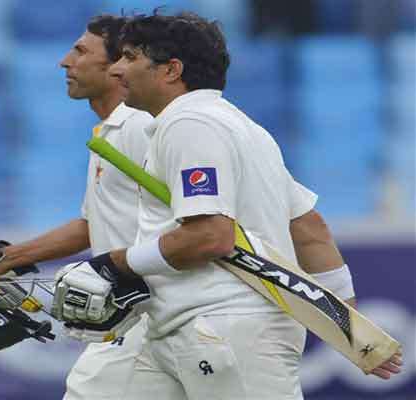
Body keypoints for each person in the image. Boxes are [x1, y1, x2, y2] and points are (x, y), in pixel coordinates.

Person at [51, 11, 403, 400]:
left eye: (131, 57)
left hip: (224, 327)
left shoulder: (190, 125)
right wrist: (351, 331)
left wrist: (115, 263)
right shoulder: (241, 127)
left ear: (171, 70)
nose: (117, 69)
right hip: (173, 328)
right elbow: (309, 229)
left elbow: (210, 237)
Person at [0, 14, 153, 400]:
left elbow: (187, 224)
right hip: (141, 321)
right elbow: (92, 225)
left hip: (164, 314)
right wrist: (3, 259)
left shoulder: (138, 128)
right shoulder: (111, 131)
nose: (65, 62)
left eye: (81, 51)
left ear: (118, 65)